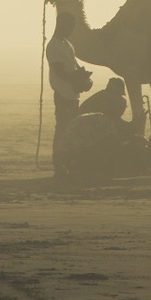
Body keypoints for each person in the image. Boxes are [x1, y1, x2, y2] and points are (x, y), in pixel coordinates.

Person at [47, 11, 92, 178]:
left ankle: (67, 164)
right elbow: (60, 71)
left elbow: (74, 67)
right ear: (62, 25)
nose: (72, 29)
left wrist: (84, 78)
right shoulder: (54, 46)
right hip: (63, 94)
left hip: (72, 95)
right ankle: (59, 166)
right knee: (63, 131)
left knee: (70, 131)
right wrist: (77, 81)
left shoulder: (67, 45)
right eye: (71, 25)